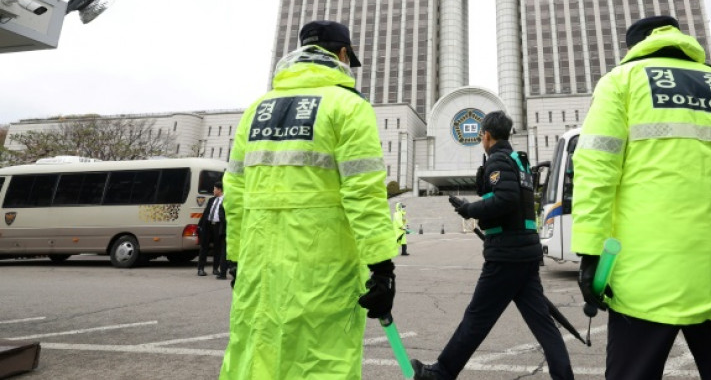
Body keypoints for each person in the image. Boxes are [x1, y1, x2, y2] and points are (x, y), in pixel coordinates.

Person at [570, 15, 711, 380]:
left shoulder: (622, 81)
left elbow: (595, 171)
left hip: (646, 273)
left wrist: (591, 253)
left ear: (634, 47)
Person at [219, 20, 398, 379]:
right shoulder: (348, 106)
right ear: (343, 54)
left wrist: (236, 256)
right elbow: (363, 192)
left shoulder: (256, 109)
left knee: (254, 352)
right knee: (321, 356)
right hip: (322, 264)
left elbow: (234, 193)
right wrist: (382, 266)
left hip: (258, 263)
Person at [411, 111, 574, 380]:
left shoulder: (498, 160)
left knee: (476, 318)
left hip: (507, 255)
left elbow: (505, 199)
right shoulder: (518, 161)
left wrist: (470, 209)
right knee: (544, 325)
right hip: (524, 252)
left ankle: (440, 374)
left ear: (486, 135)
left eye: (480, 136)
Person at [197, 181, 227, 279]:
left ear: (219, 190)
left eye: (214, 189)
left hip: (218, 226)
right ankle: (200, 268)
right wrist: (200, 225)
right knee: (204, 246)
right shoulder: (211, 200)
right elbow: (205, 213)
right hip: (208, 225)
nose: (213, 191)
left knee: (218, 248)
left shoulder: (225, 201)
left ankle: (215, 268)